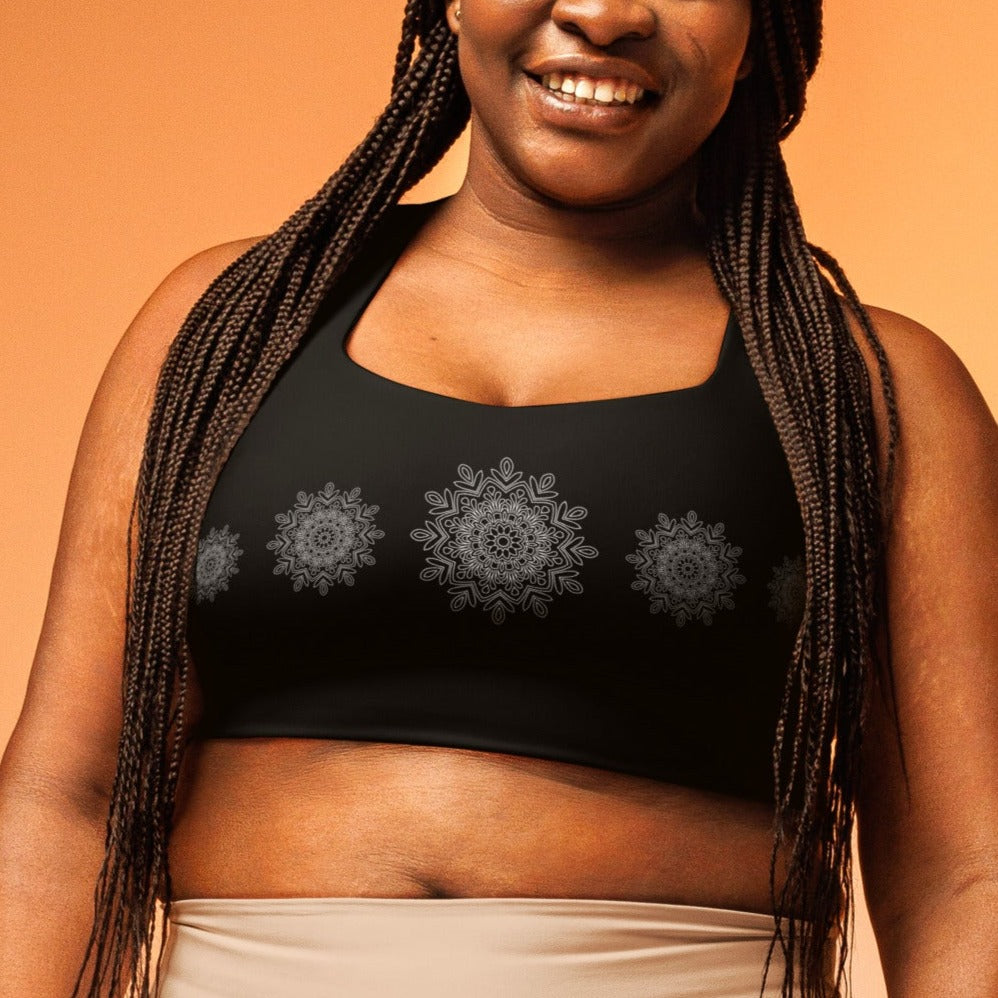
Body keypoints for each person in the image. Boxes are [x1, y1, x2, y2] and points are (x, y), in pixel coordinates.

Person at [1, 0, 995, 996]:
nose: (603, 13)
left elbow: (964, 878)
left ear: (757, 32)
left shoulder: (872, 392)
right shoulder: (227, 326)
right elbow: (62, 800)